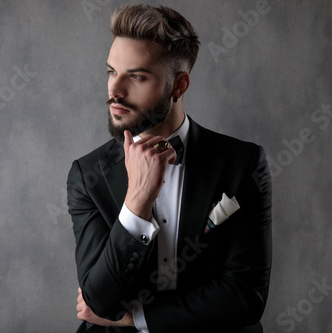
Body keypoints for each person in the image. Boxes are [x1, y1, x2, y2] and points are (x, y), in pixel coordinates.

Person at [67, 4, 272, 333]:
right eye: (111, 72)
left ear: (179, 86)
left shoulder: (243, 163)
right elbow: (98, 301)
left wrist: (138, 317)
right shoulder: (87, 176)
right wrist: (138, 199)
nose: (115, 91)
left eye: (136, 76)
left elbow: (245, 296)